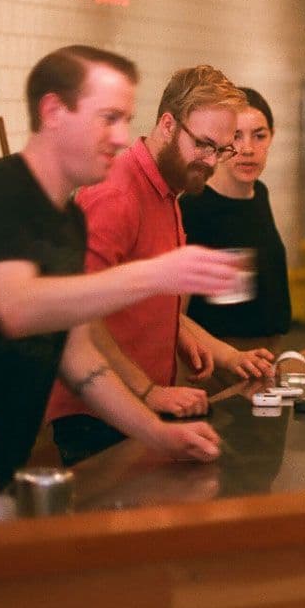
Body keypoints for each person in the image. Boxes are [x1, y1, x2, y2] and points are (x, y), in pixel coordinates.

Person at [0, 46, 246, 488]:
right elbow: (16, 307)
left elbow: (77, 351)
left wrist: (158, 434)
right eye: (108, 118)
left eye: (125, 120)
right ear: (53, 111)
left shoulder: (65, 219)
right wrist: (155, 274)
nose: (123, 137)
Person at [44, 66, 275, 466]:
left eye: (220, 150)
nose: (210, 162)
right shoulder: (117, 195)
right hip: (96, 415)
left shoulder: (169, 190)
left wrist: (195, 340)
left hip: (138, 407)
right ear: (168, 124)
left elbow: (141, 295)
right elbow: (78, 315)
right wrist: (148, 390)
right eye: (203, 145)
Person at [180, 87, 292, 347]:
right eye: (236, 137)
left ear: (272, 137)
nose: (248, 149)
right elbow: (176, 317)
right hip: (215, 360)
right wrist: (229, 358)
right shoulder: (195, 207)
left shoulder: (258, 194)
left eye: (259, 136)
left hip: (265, 353)